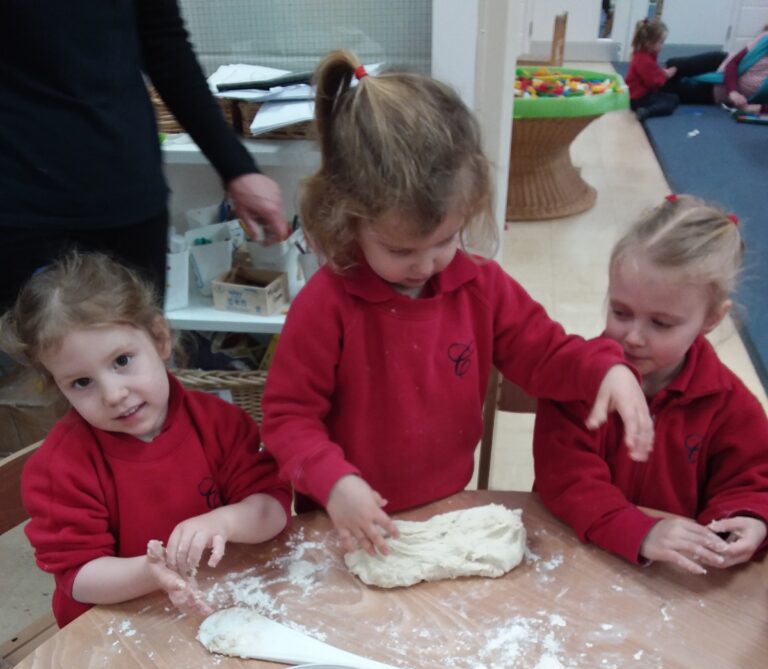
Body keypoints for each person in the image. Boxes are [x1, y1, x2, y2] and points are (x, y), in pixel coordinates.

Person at [260, 51, 654, 557]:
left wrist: (607, 370)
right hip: (345, 525)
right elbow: (287, 419)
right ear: (347, 219)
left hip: (448, 507)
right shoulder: (326, 307)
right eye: (401, 250)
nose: (426, 264)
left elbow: (547, 357)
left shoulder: (480, 287)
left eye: (445, 240)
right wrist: (334, 483)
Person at [0, 252, 290, 626]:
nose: (113, 394)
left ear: (160, 338)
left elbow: (274, 509)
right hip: (120, 626)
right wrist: (149, 572)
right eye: (82, 382)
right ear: (58, 385)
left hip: (218, 598)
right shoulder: (58, 469)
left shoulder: (218, 423)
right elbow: (78, 577)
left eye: (121, 360)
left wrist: (227, 521)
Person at [0, 0, 289, 315]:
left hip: (128, 197)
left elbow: (164, 46)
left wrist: (237, 169)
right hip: (19, 205)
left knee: (139, 350)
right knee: (28, 358)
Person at [533, 195, 768, 574]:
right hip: (570, 555)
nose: (634, 337)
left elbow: (751, 482)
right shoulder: (577, 381)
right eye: (621, 312)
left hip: (668, 580)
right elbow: (565, 481)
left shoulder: (730, 405)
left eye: (661, 323)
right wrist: (638, 531)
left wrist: (746, 519)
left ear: (711, 318)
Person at [663, 25, 768, 113]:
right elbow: (733, 64)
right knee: (673, 65)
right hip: (719, 64)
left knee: (668, 91)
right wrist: (734, 92)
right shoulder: (765, 39)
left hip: (716, 93)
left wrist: (758, 108)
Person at [626, 18, 679, 121]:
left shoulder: (646, 54)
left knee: (673, 98)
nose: (662, 46)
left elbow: (652, 71)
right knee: (670, 103)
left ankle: (646, 109)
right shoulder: (644, 59)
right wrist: (665, 75)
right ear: (649, 43)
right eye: (661, 42)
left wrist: (661, 73)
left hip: (640, 94)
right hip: (638, 98)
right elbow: (653, 83)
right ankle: (646, 111)